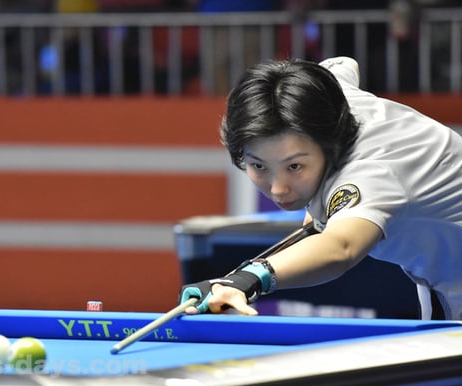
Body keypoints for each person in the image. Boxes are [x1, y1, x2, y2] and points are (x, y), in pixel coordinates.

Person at [179, 56, 462, 320]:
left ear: (329, 146)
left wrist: (250, 278)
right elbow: (344, 64)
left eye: (294, 166)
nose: (278, 189)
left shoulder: (370, 173)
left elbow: (341, 247)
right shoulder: (326, 94)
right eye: (259, 166)